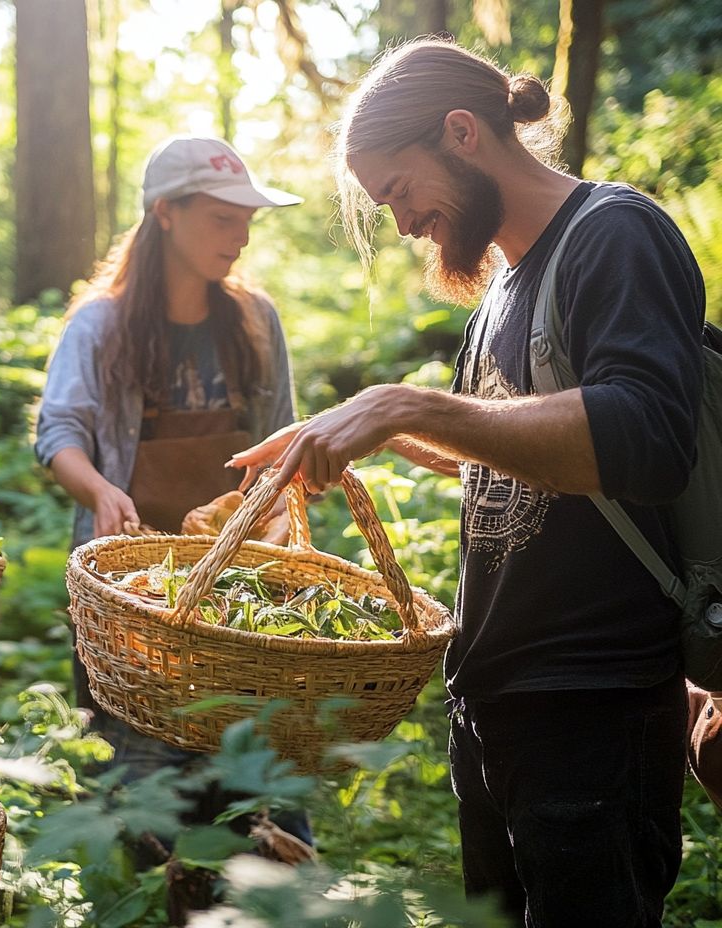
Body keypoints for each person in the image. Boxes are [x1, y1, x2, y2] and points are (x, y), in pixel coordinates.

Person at [232, 39, 702, 926]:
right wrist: (380, 430)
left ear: (462, 132)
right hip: (495, 705)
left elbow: (647, 435)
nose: (405, 223)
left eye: (401, 191)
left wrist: (407, 404)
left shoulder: (616, 233)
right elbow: (512, 451)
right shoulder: (500, 292)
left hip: (593, 709)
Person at [34, 136, 302, 826]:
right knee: (145, 807)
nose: (241, 237)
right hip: (133, 603)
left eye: (247, 219)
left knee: (257, 803)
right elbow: (58, 433)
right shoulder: (100, 325)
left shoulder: (255, 322)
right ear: (164, 214)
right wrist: (98, 489)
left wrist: (278, 515)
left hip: (242, 607)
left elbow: (282, 441)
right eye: (223, 218)